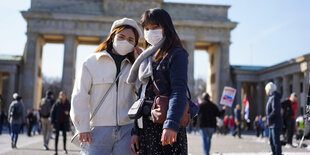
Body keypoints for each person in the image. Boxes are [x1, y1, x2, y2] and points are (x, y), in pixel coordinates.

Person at [70, 17, 142, 155]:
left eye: (130, 39)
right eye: (121, 36)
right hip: (98, 130)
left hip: (127, 129)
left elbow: (143, 93)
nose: (125, 41)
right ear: (112, 36)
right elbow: (80, 95)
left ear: (135, 44)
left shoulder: (135, 65)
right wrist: (82, 127)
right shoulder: (91, 62)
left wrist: (142, 62)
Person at [128, 8, 189, 155]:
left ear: (166, 28)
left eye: (155, 27)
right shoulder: (146, 58)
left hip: (165, 125)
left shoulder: (176, 54)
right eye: (147, 28)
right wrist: (135, 132)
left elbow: (178, 91)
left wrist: (171, 125)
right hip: (146, 127)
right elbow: (141, 97)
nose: (150, 31)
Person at [265, 82, 282, 155]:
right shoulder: (271, 97)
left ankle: (277, 153)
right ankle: (274, 153)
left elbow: (275, 110)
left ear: (269, 89)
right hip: (272, 123)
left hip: (275, 123)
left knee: (275, 141)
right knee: (272, 140)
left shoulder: (274, 97)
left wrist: (268, 117)